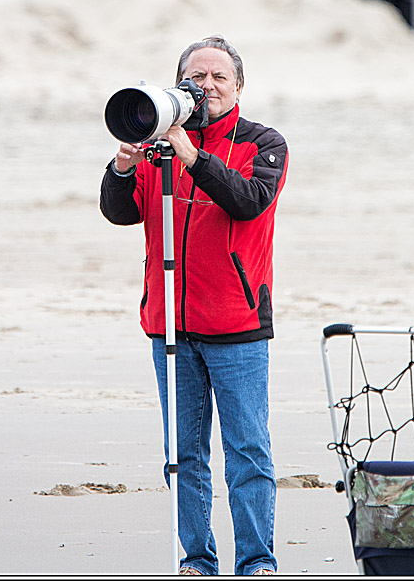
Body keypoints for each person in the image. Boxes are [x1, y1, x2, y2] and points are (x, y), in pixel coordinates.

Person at [100, 35, 288, 576]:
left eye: (218, 77)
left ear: (238, 86)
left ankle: (257, 563)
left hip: (237, 323)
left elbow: (249, 202)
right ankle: (197, 561)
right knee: (183, 456)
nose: (207, 87)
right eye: (196, 77)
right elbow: (121, 212)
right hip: (171, 325)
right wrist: (122, 166)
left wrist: (193, 156)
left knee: (247, 452)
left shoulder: (263, 143)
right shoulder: (157, 143)